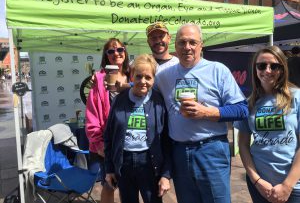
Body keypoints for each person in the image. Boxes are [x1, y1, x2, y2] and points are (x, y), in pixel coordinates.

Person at [154, 23, 248, 203]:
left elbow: (241, 108)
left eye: (192, 42)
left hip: (211, 149)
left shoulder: (217, 70)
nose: (187, 47)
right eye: (182, 42)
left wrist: (207, 112)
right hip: (179, 152)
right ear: (175, 45)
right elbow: (143, 86)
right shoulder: (164, 75)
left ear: (201, 45)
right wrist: (119, 84)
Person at [234, 46, 300, 203]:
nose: (267, 70)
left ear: (282, 69)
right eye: (262, 66)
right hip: (260, 186)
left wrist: (287, 185)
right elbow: (242, 145)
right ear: (255, 69)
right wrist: (256, 180)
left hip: (294, 186)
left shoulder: (296, 97)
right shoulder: (248, 103)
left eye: (274, 66)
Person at [104, 54, 171, 203]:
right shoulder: (119, 100)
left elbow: (167, 141)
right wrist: (109, 169)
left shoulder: (159, 101)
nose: (143, 82)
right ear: (131, 76)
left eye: (148, 77)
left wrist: (166, 175)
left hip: (150, 163)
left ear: (154, 79)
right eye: (138, 76)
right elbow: (108, 136)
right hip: (124, 163)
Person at [85, 38, 130, 203]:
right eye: (111, 51)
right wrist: (99, 145)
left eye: (120, 49)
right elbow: (92, 116)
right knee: (109, 185)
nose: (116, 53)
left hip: (132, 140)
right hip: (108, 143)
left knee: (130, 185)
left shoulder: (133, 75)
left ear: (125, 52)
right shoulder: (98, 80)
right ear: (106, 56)